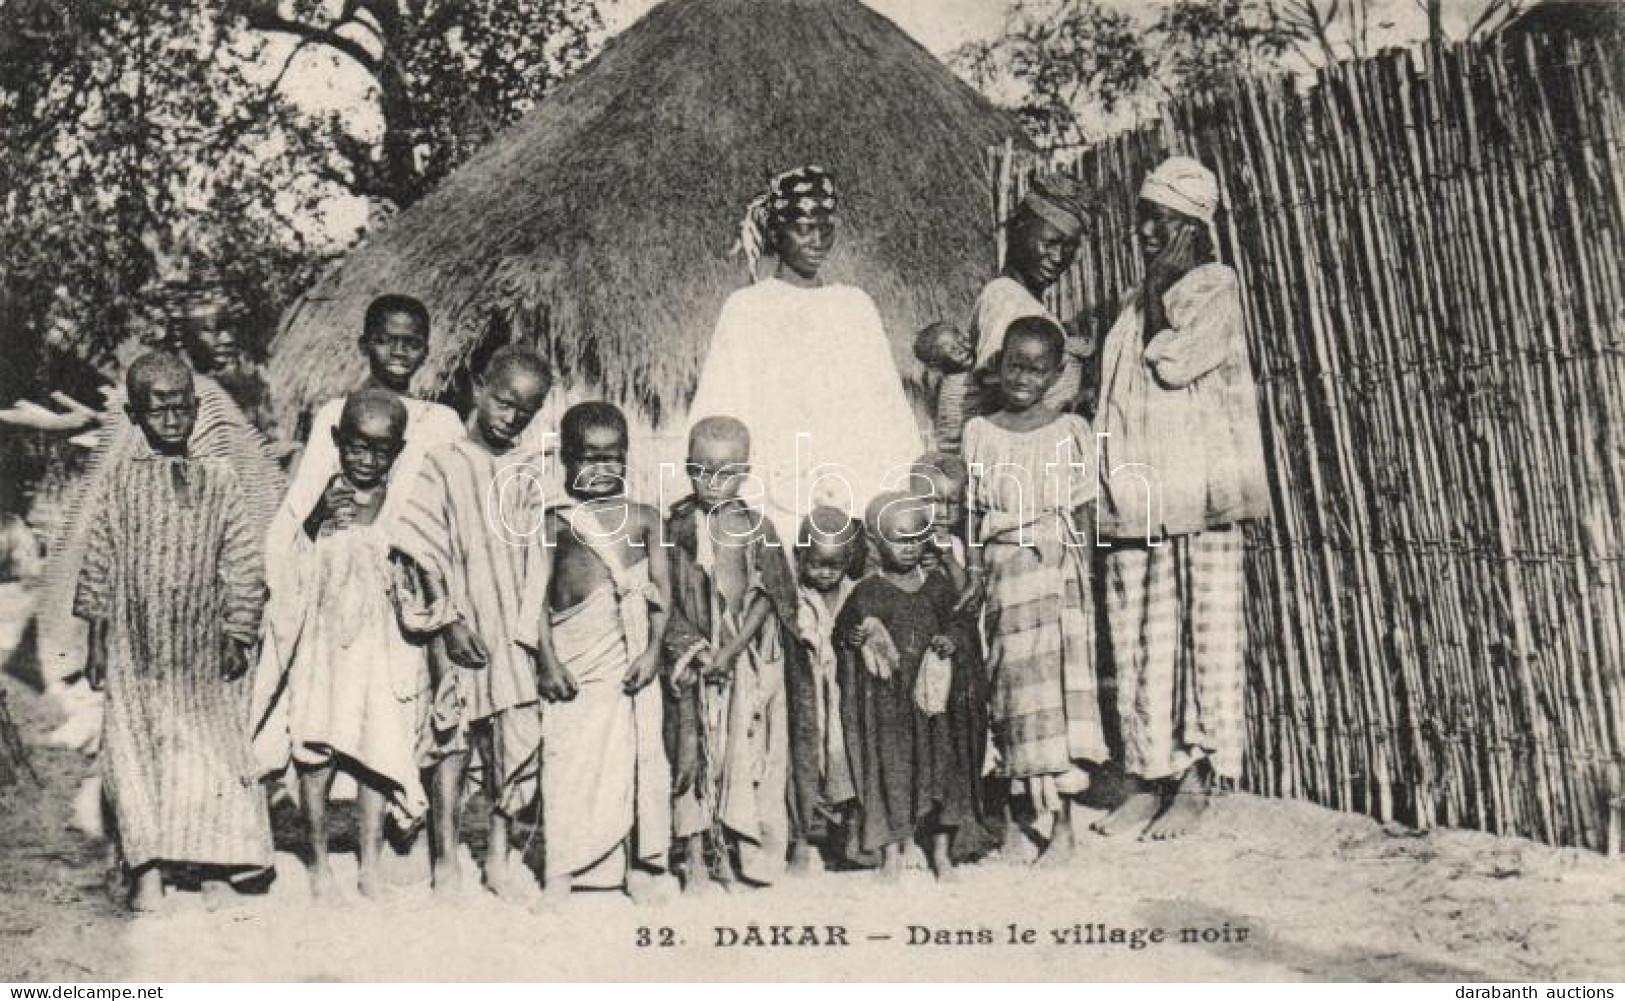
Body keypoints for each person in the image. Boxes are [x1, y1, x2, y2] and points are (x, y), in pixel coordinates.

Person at [1093, 156, 1269, 841]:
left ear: (1194, 226)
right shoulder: (1137, 302)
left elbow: (1174, 361)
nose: (1142, 230)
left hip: (1195, 499)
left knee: (1201, 635)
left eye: (1160, 220)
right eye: (1141, 217)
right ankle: (1145, 776)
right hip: (1138, 497)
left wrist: (1163, 282)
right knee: (1139, 636)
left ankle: (1194, 781)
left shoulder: (1212, 287)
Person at [72, 352, 272, 912]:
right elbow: (99, 562)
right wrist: (95, 642)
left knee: (206, 751)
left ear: (197, 407)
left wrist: (238, 631)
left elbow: (241, 559)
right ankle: (148, 868)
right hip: (135, 647)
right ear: (135, 415)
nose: (170, 414)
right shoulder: (120, 482)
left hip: (201, 646)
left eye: (181, 403)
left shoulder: (220, 477)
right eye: (156, 406)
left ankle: (213, 862)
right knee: (134, 754)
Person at [389, 346, 553, 901]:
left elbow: (539, 557)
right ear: (480, 388)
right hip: (459, 625)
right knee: (453, 739)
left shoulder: (531, 472)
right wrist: (450, 622)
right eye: (505, 403)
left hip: (513, 628)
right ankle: (445, 862)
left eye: (526, 411)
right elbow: (420, 547)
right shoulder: (443, 461)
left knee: (514, 740)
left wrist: (534, 635)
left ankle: (500, 858)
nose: (512, 417)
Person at [254, 390, 429, 902]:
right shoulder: (319, 500)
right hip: (323, 653)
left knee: (377, 753)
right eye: (357, 447)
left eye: (381, 451)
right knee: (317, 751)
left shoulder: (399, 504)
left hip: (380, 651)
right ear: (336, 442)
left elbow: (417, 568)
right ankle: (319, 865)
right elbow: (288, 570)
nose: (368, 460)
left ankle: (370, 864)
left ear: (397, 451)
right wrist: (314, 522)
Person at [688, 165, 922, 550]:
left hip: (852, 495)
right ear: (777, 231)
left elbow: (888, 412)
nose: (816, 240)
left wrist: (901, 495)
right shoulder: (747, 309)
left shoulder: (855, 307)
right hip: (776, 497)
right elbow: (722, 405)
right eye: (803, 228)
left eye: (825, 228)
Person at [962, 317, 1106, 866]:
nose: (1023, 377)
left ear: (1055, 375)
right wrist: (974, 570)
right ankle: (1022, 815)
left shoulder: (1070, 432)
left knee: (1058, 697)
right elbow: (972, 511)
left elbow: (1083, 507)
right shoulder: (980, 432)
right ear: (999, 367)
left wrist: (1082, 569)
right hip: (1003, 577)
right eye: (1014, 365)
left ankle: (1064, 825)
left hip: (1054, 577)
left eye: (1036, 368)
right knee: (1011, 694)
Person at [517, 402, 673, 906]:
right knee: (566, 766)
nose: (602, 468)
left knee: (630, 762)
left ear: (627, 456)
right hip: (573, 668)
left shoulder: (648, 519)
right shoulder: (554, 523)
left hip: (627, 664)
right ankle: (559, 871)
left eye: (613, 456)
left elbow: (662, 596)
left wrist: (653, 652)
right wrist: (548, 660)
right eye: (589, 458)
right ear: (565, 460)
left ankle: (634, 870)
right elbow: (534, 600)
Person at [663, 416, 800, 893]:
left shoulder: (757, 528)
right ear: (686, 467)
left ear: (745, 471)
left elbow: (771, 597)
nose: (712, 482)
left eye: (725, 472)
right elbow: (664, 594)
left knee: (740, 758)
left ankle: (733, 851)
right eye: (700, 470)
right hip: (692, 658)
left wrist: (731, 651)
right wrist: (697, 652)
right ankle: (696, 857)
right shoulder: (675, 527)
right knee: (693, 752)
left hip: (743, 663)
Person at [836, 492, 989, 881]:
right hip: (889, 709)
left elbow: (961, 622)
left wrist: (951, 640)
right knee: (893, 775)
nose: (910, 547)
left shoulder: (936, 585)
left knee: (943, 773)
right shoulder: (867, 590)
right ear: (874, 542)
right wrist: (853, 637)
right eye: (899, 538)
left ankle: (941, 853)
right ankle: (891, 854)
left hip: (934, 704)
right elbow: (844, 633)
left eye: (918, 537)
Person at [939, 174, 1095, 451]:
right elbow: (1009, 398)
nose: (1059, 258)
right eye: (1050, 243)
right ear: (1020, 229)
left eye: (1069, 247)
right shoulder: (1007, 301)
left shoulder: (1019, 300)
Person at [787, 506, 863, 873]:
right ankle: (805, 839)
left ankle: (849, 835)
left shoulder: (857, 594)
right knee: (808, 761)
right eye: (816, 563)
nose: (825, 572)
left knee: (845, 758)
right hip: (808, 693)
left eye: (835, 565)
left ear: (849, 560)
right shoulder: (794, 598)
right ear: (800, 556)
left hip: (845, 694)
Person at [913, 323, 975, 456]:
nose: (966, 348)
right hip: (958, 453)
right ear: (936, 364)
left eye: (963, 340)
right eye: (954, 350)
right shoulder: (958, 384)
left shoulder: (960, 376)